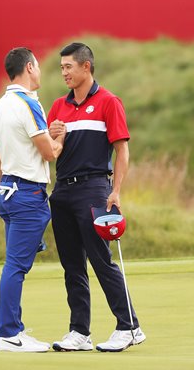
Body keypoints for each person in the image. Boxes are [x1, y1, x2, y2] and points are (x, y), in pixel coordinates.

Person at [47, 42, 146, 352]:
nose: (64, 72)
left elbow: (122, 150)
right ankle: (79, 332)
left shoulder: (108, 101)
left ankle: (129, 327)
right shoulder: (58, 107)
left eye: (68, 67)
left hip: (93, 189)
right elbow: (50, 154)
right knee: (72, 265)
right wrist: (53, 137)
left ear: (85, 67)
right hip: (62, 190)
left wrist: (116, 190)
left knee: (101, 260)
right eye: (61, 67)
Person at [0, 47, 66, 352]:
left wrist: (3, 192)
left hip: (7, 191)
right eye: (38, 66)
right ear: (30, 67)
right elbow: (48, 153)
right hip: (27, 194)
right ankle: (8, 333)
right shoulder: (28, 103)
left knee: (14, 264)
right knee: (16, 266)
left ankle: (15, 329)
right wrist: (60, 137)